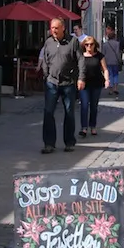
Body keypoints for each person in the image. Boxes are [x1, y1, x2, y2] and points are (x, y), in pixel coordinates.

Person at [41, 17, 85, 154]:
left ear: (63, 28)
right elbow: (45, 59)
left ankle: (69, 142)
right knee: (48, 113)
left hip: (68, 83)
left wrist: (80, 78)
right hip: (52, 83)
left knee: (69, 113)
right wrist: (46, 74)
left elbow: (81, 60)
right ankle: (49, 144)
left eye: (56, 28)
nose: (53, 30)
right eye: (52, 28)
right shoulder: (48, 42)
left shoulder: (73, 42)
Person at [79, 37, 109, 137]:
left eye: (91, 44)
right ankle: (84, 128)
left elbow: (105, 69)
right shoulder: (81, 56)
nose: (89, 46)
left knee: (93, 107)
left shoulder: (99, 56)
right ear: (84, 45)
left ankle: (93, 126)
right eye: (87, 44)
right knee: (84, 106)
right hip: (84, 84)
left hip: (96, 84)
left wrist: (107, 80)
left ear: (95, 45)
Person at [101, 26, 121, 96]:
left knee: (109, 75)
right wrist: (119, 60)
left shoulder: (105, 44)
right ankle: (115, 88)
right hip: (115, 61)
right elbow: (118, 53)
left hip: (107, 62)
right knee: (116, 75)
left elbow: (103, 54)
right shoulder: (117, 44)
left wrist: (102, 63)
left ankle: (110, 90)